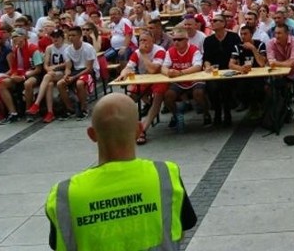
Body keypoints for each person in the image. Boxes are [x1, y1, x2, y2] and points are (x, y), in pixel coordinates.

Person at [45, 93, 197, 250]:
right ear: (139, 130)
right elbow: (185, 225)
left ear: (92, 134)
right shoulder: (165, 176)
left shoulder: (64, 194)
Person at [120, 31, 168, 144]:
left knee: (156, 101)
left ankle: (143, 130)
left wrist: (144, 55)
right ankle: (131, 125)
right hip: (144, 80)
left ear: (152, 41)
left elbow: (153, 70)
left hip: (159, 79)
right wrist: (123, 74)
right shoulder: (136, 52)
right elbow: (128, 67)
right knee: (130, 99)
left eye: (145, 40)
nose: (142, 43)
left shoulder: (160, 51)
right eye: (141, 40)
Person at [162, 28, 207, 131]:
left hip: (194, 80)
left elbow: (197, 67)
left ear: (186, 40)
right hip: (179, 82)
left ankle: (206, 114)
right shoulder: (170, 51)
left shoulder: (194, 50)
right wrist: (168, 72)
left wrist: (181, 72)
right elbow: (163, 67)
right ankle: (176, 115)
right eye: (174, 39)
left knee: (199, 93)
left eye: (179, 39)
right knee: (168, 96)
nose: (176, 42)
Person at [57, 26, 99, 120]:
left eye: (73, 35)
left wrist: (74, 77)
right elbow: (68, 67)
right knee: (60, 84)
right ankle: (70, 109)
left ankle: (84, 108)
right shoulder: (67, 50)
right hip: (75, 71)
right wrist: (67, 75)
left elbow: (89, 68)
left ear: (80, 36)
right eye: (69, 35)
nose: (71, 37)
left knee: (79, 83)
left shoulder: (88, 48)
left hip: (89, 71)